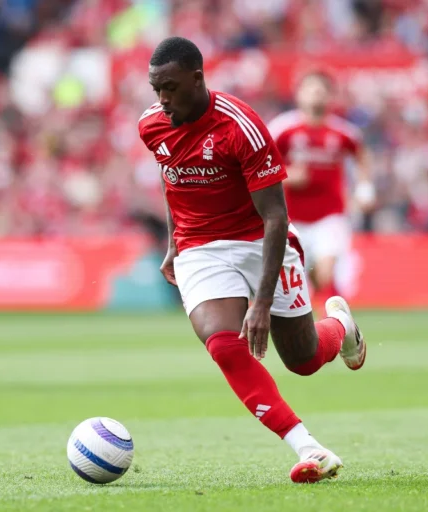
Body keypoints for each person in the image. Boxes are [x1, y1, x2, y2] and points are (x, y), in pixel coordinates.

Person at [139, 37, 367, 484]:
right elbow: (172, 182)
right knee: (224, 345)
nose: (162, 100)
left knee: (300, 359)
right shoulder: (151, 125)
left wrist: (261, 302)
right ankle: (310, 448)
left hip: (258, 239)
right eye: (155, 89)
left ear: (197, 79)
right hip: (199, 247)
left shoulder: (241, 127)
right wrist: (172, 243)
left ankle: (340, 327)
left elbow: (276, 216)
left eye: (170, 87)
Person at [268, 72, 376, 312]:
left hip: (330, 214)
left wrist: (365, 189)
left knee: (326, 270)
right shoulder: (283, 129)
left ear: (330, 97)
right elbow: (260, 163)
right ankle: (318, 316)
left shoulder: (343, 133)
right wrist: (286, 175)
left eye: (321, 90)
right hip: (291, 218)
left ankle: (336, 323)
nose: (316, 94)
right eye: (310, 89)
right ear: (299, 95)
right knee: (302, 278)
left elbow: (362, 157)